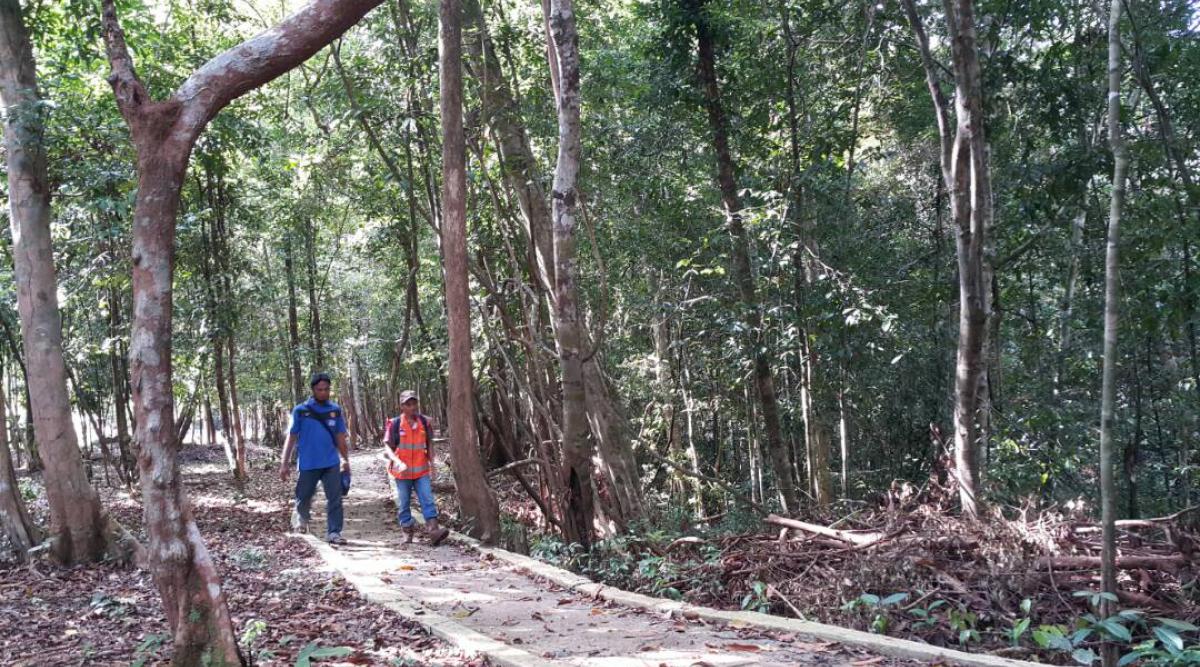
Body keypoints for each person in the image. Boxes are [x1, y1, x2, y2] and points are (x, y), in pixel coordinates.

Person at [279, 372, 350, 544]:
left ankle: (334, 532)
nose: (323, 393)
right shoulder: (301, 411)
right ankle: (302, 520)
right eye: (320, 389)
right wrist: (284, 463)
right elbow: (291, 437)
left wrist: (345, 459)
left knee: (335, 498)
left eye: (326, 389)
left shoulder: (335, 410)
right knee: (303, 497)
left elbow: (340, 436)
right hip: (308, 463)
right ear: (313, 390)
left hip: (331, 462)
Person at [382, 390, 449, 546]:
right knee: (404, 503)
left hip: (421, 471)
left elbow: (430, 444)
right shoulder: (395, 423)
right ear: (402, 406)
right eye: (408, 404)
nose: (412, 407)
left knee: (427, 500)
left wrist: (433, 465)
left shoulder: (424, 423)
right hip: (402, 473)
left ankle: (433, 531)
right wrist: (397, 461)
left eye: (414, 404)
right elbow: (387, 446)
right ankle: (407, 531)